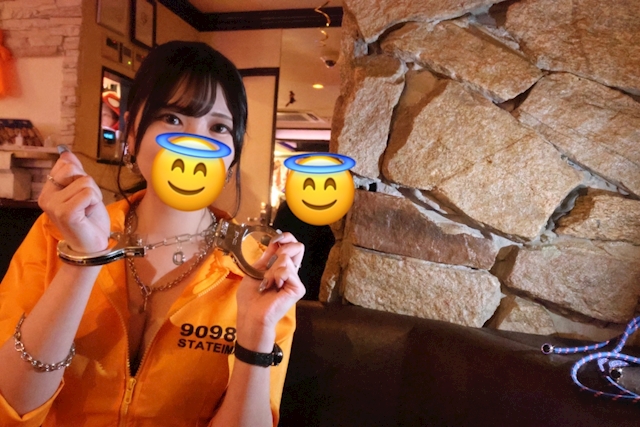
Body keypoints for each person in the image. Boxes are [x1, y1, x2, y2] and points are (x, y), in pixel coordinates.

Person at [0, 41, 306, 426]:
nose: (194, 144)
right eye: (173, 118)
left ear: (232, 157)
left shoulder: (257, 271)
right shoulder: (58, 234)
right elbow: (11, 406)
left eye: (218, 127)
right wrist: (84, 260)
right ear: (130, 134)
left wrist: (256, 332)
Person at [272, 200, 334, 300]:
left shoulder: (289, 206)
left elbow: (274, 241)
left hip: (288, 276)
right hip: (314, 281)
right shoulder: (331, 213)